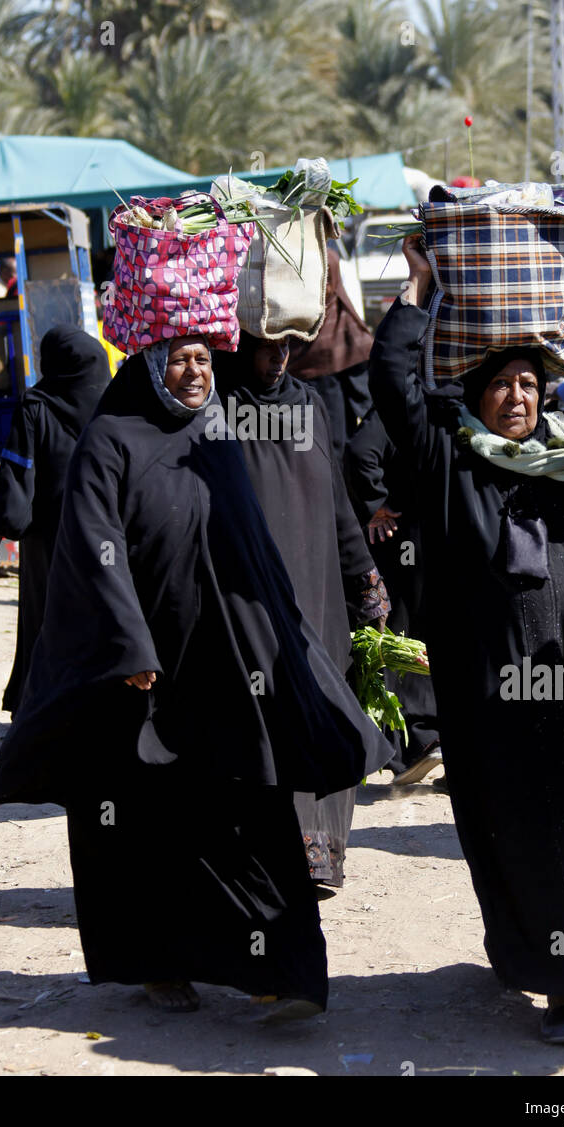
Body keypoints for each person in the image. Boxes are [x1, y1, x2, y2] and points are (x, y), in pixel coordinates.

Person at [0, 334, 392, 1021]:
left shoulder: (216, 433)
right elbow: (92, 554)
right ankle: (159, 964)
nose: (196, 371)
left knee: (252, 812)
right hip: (138, 683)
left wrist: (279, 635)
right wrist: (129, 647)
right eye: (180, 359)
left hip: (223, 667)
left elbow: (251, 542)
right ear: (149, 368)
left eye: (206, 359)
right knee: (148, 829)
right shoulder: (110, 441)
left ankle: (288, 973)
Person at [369, 234, 564, 1045]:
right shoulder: (448, 460)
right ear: (478, 395)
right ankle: (536, 963)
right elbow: (393, 386)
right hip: (482, 688)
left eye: (530, 384)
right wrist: (419, 288)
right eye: (501, 385)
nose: (517, 397)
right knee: (496, 827)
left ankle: (562, 972)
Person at [215, 332, 390, 889]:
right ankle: (280, 856)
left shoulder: (309, 404)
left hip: (317, 592)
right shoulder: (219, 411)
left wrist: (364, 576)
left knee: (323, 702)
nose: (279, 357)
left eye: (287, 344)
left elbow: (337, 497)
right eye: (265, 346)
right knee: (270, 716)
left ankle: (324, 852)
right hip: (252, 596)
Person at [0, 325, 110, 713]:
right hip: (102, 533)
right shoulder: (113, 405)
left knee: (46, 619)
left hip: (48, 540)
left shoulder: (35, 405)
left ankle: (42, 709)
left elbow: (17, 475)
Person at [345, 408, 442, 785]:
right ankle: (427, 739)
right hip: (430, 536)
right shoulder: (441, 403)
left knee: (401, 636)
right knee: (418, 632)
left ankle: (417, 743)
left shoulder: (395, 410)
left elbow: (358, 452)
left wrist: (376, 504)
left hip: (404, 536)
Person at [287, 249, 373, 462]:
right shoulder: (290, 340)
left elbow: (368, 407)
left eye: (324, 282)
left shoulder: (348, 334)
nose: (320, 290)